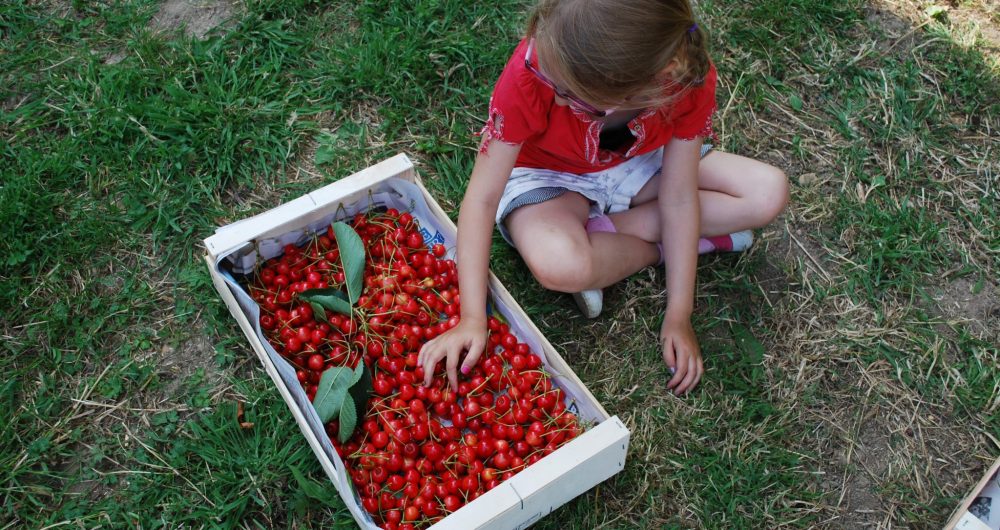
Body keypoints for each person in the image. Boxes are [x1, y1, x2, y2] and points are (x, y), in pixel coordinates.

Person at [418, 0, 788, 395]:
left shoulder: (682, 82)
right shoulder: (534, 69)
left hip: (639, 162)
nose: (558, 98)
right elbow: (482, 197)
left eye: (572, 96)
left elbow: (679, 197)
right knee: (559, 263)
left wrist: (679, 313)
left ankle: (609, 236)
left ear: (646, 85)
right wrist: (472, 318)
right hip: (549, 176)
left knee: (767, 192)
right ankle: (661, 247)